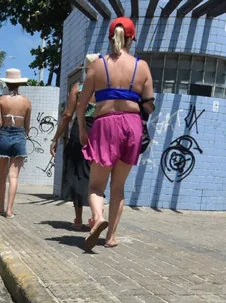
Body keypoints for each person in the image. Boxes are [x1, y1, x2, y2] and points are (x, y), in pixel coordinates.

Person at [77, 17, 155, 251]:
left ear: (111, 37)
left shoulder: (98, 66)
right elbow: (149, 104)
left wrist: (82, 128)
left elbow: (82, 104)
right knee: (118, 186)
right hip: (132, 125)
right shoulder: (141, 67)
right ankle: (110, 237)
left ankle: (98, 217)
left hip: (104, 125)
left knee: (96, 185)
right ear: (132, 38)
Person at [51, 54, 99, 231]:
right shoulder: (105, 90)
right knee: (97, 176)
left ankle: (78, 220)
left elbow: (67, 116)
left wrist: (56, 138)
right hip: (99, 132)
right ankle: (97, 217)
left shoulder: (78, 89)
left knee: (77, 173)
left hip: (80, 132)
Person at [0, 69, 32, 219]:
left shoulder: (1, 100)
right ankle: (9, 210)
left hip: (4, 136)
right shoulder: (26, 102)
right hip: (19, 136)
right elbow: (27, 127)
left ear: (6, 83)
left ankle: (0, 206)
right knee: (14, 177)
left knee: (2, 176)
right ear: (20, 83)